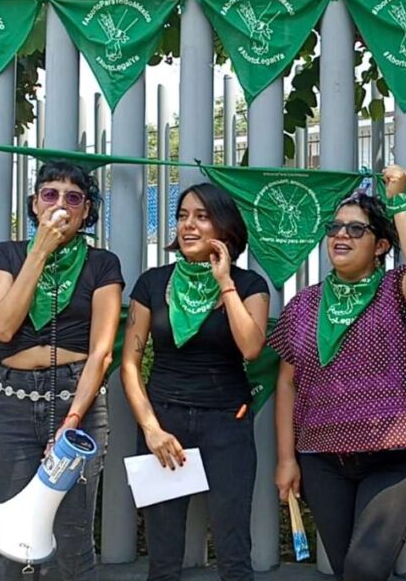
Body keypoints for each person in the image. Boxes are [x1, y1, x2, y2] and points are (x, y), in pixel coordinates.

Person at [271, 165, 406, 581]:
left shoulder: (398, 290)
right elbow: (287, 384)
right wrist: (286, 458)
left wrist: (398, 199)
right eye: (335, 227)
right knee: (348, 569)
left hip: (398, 454)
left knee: (364, 569)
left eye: (356, 230)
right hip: (322, 458)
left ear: (382, 245)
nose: (341, 235)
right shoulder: (303, 305)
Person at [121, 183, 269, 581]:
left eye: (202, 216)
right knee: (164, 555)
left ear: (226, 228)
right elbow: (130, 364)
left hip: (227, 421)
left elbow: (252, 347)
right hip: (164, 422)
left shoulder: (249, 286)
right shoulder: (152, 283)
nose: (189, 225)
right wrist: (151, 430)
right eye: (183, 215)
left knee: (233, 548)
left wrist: (225, 281)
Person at [0, 161, 123, 580]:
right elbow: (4, 326)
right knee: (18, 535)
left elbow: (101, 351)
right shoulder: (7, 254)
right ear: (34, 203)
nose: (60, 204)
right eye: (50, 194)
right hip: (13, 401)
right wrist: (40, 251)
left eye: (73, 197)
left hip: (75, 396)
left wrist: (73, 420)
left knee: (73, 531)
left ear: (86, 212)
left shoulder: (102, 263)